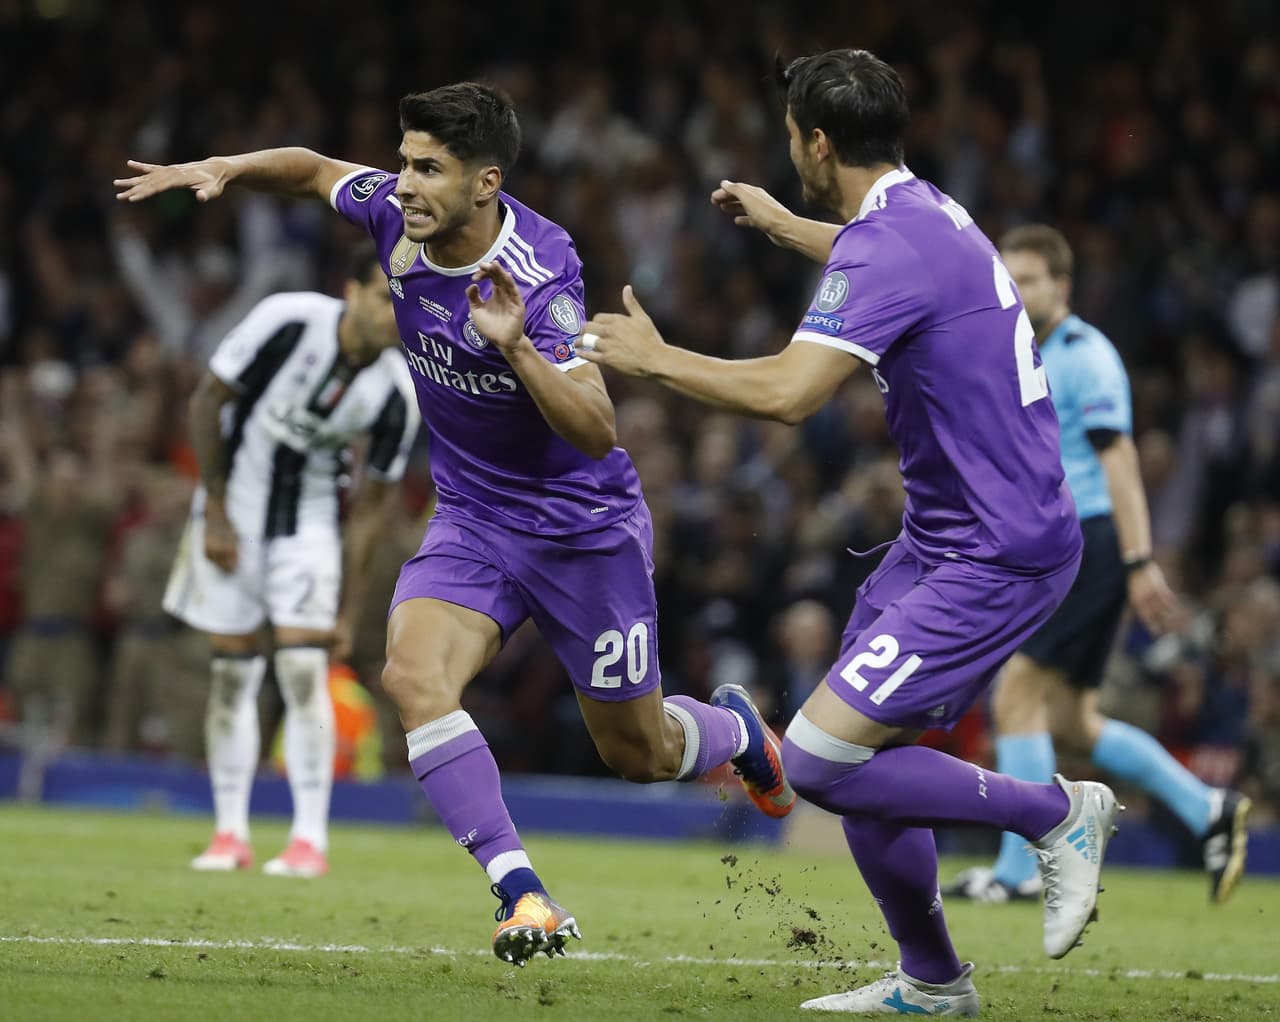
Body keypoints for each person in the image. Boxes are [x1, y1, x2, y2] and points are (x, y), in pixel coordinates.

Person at [116, 82, 792, 966]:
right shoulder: (397, 221)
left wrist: (513, 346)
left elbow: (596, 431)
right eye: (403, 161)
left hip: (580, 531)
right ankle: (523, 895)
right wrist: (228, 168)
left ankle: (736, 732)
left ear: (486, 182)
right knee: (412, 674)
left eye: (426, 169)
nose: (403, 183)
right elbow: (317, 170)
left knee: (642, 751)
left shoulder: (542, 268)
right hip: (474, 519)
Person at [579, 49, 1119, 1016]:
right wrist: (791, 228)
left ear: (817, 142)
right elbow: (887, 266)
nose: (791, 151)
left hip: (998, 548)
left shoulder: (887, 247)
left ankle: (1059, 814)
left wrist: (656, 362)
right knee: (866, 755)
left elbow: (788, 394)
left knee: (826, 759)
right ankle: (933, 981)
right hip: (947, 534)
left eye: (793, 137)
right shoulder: (928, 214)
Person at [942, 225, 1251, 907]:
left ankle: (1020, 873)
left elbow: (1119, 461)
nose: (1017, 294)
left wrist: (1140, 561)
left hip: (1091, 541)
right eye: (1009, 280)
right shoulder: (1021, 353)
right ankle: (1208, 809)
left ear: (1063, 286)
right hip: (1049, 542)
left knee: (1016, 691)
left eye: (1030, 280)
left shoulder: (1088, 357)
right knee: (1073, 721)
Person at [160, 241, 420, 879]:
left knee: (305, 674)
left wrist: (350, 604)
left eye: (404, 307)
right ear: (352, 291)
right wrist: (215, 512)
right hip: (232, 513)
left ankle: (309, 839)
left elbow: (370, 509)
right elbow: (206, 402)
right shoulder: (287, 320)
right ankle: (230, 834)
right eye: (386, 299)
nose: (394, 317)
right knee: (233, 675)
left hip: (307, 527)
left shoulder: (397, 395)